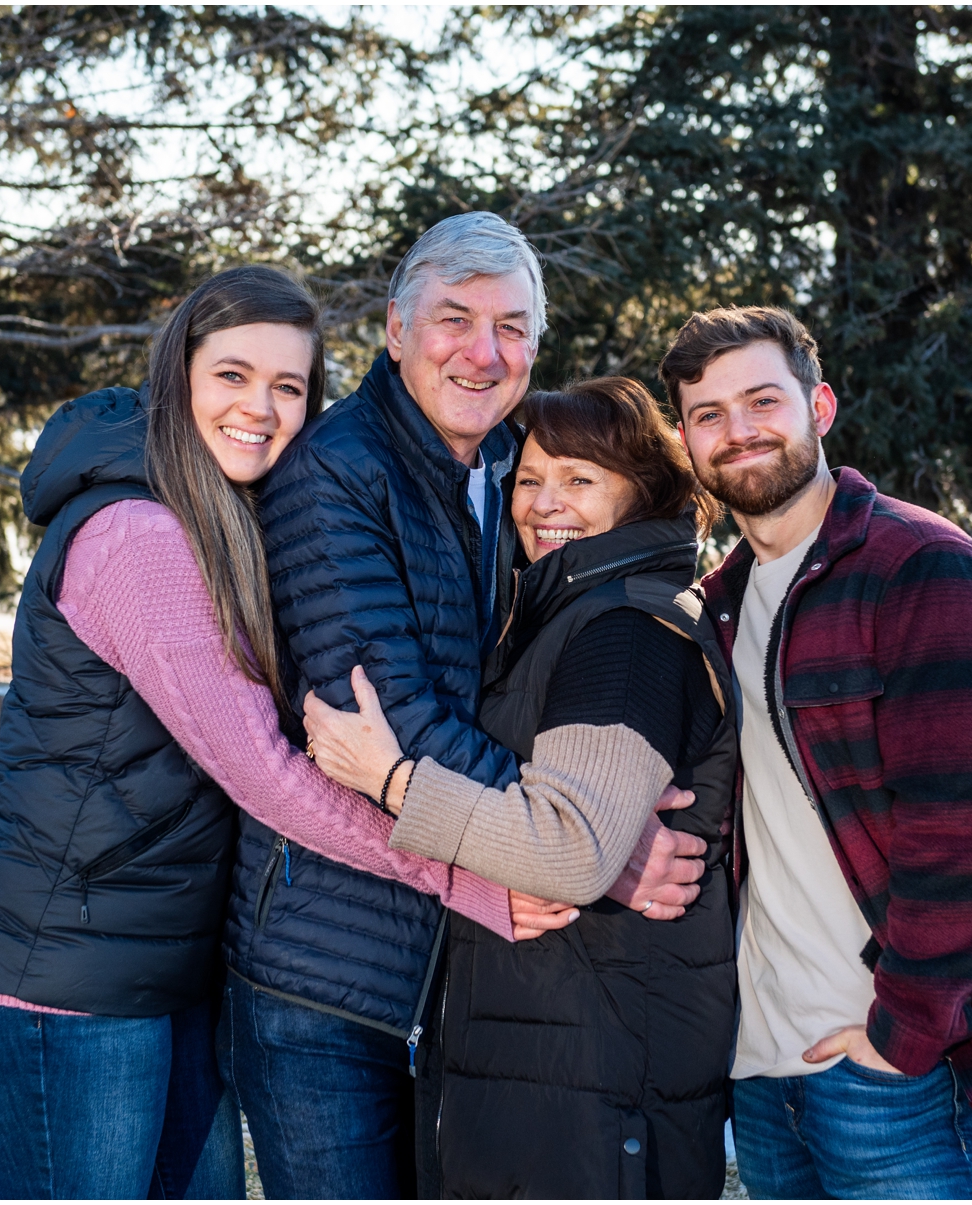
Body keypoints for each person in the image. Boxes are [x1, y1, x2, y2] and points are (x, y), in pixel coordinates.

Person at [0, 266, 548, 1199]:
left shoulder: (217, 513)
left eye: (289, 386)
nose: (262, 407)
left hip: (160, 968)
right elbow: (271, 776)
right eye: (233, 376)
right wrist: (470, 874)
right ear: (178, 378)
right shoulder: (139, 535)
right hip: (60, 978)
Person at [227, 213, 709, 1198]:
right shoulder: (335, 474)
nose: (484, 352)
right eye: (455, 318)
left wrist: (570, 829)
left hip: (448, 955)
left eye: (513, 327)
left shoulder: (498, 468)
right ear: (397, 331)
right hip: (327, 965)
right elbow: (380, 719)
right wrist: (582, 842)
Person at [663, 305, 972, 1199]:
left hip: (893, 1068)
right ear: (685, 438)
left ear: (820, 406)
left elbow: (965, 839)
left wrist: (901, 1037)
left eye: (763, 400)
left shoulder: (919, 569)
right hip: (761, 1063)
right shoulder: (718, 602)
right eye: (707, 414)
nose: (738, 430)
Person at [304, 376, 740, 1198]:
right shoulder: (557, 611)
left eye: (580, 480)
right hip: (550, 1057)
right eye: (531, 480)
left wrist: (391, 778)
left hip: (597, 1077)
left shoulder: (624, 633)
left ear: (639, 492)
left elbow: (571, 850)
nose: (546, 503)